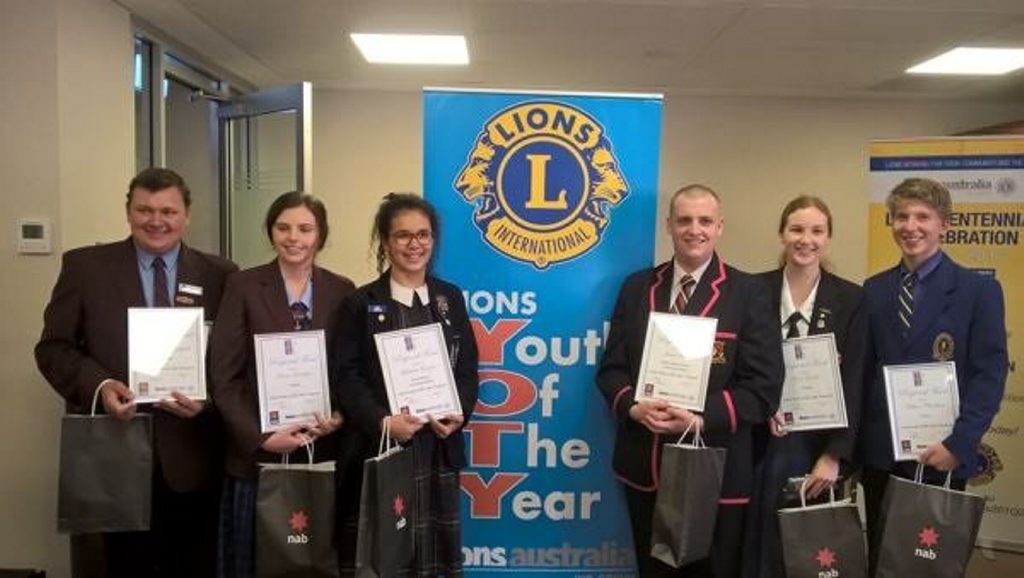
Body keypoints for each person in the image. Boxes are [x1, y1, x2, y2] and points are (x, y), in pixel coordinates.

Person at [35, 167, 237, 578]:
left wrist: (209, 399)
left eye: (168, 210)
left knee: (195, 566)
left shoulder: (221, 275)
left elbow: (232, 359)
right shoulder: (85, 267)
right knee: (119, 567)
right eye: (144, 209)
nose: (156, 221)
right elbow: (53, 348)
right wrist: (101, 384)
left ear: (187, 215)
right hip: (113, 455)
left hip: (194, 456)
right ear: (127, 212)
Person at [596, 184, 783, 578]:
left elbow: (763, 389)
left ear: (719, 227)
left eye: (704, 221)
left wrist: (700, 418)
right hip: (646, 465)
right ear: (669, 226)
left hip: (716, 469)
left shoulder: (748, 293)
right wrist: (633, 406)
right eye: (684, 220)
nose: (693, 229)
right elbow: (611, 370)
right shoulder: (636, 287)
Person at [857, 177, 1007, 569]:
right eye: (901, 216)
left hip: (942, 452)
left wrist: (961, 443)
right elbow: (861, 373)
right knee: (881, 558)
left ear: (945, 224)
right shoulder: (872, 290)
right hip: (881, 455)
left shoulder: (978, 291)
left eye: (923, 216)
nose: (911, 226)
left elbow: (989, 373)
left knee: (929, 562)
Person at [332, 193, 479, 578]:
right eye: (402, 236)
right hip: (383, 450)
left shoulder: (450, 298)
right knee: (386, 555)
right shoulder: (359, 304)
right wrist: (383, 422)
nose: (414, 244)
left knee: (436, 558)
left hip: (438, 449)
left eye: (423, 235)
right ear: (385, 241)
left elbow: (467, 368)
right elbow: (347, 377)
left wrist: (458, 413)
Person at [209, 191, 354, 578]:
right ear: (270, 232)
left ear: (320, 235)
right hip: (259, 457)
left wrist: (339, 415)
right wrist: (260, 436)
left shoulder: (342, 290)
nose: (294, 237)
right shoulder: (242, 285)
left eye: (305, 229)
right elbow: (223, 375)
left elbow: (347, 367)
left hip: (320, 451)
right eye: (283, 227)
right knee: (254, 564)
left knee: (316, 561)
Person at [743, 195, 868, 578]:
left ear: (828, 238)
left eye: (817, 231)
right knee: (753, 543)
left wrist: (835, 455)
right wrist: (757, 407)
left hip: (815, 448)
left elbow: (856, 380)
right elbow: (740, 368)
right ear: (782, 234)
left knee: (807, 553)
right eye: (796, 229)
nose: (806, 239)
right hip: (758, 440)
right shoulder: (751, 290)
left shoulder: (851, 299)